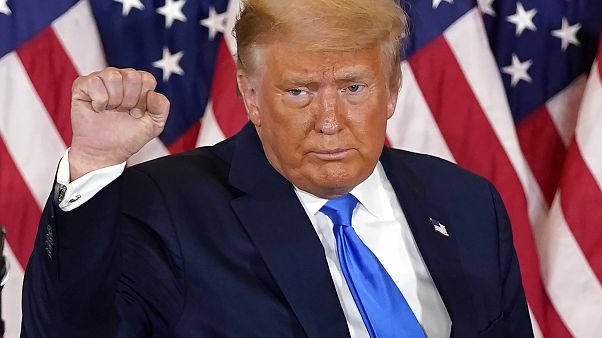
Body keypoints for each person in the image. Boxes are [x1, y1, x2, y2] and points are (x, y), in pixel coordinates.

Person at [21, 0, 533, 337]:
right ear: (251, 95)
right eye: (299, 92)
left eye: (354, 88)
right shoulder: (168, 208)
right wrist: (93, 163)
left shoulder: (466, 203)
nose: (329, 122)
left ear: (393, 90)